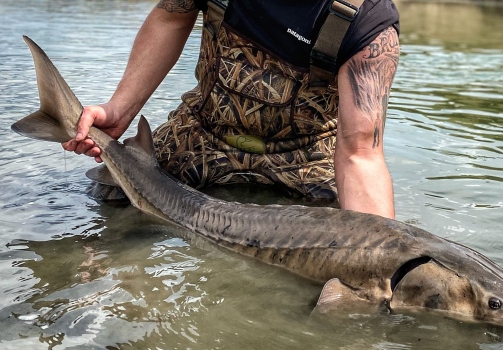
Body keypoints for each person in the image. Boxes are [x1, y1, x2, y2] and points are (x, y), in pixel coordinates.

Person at [62, 0, 399, 219]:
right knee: (110, 196)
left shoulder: (369, 24)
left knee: (336, 249)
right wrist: (119, 109)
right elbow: (171, 19)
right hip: (202, 134)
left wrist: (380, 255)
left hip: (302, 159)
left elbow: (360, 154)